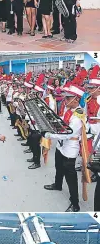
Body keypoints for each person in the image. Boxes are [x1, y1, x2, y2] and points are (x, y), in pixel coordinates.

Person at [44, 84, 85, 212]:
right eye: (65, 98)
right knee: (58, 167)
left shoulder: (79, 115)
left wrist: (48, 134)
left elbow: (68, 134)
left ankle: (75, 203)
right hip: (61, 147)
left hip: (70, 149)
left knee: (70, 177)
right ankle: (57, 185)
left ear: (76, 99)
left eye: (68, 98)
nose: (65, 100)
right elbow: (61, 121)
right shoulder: (68, 110)